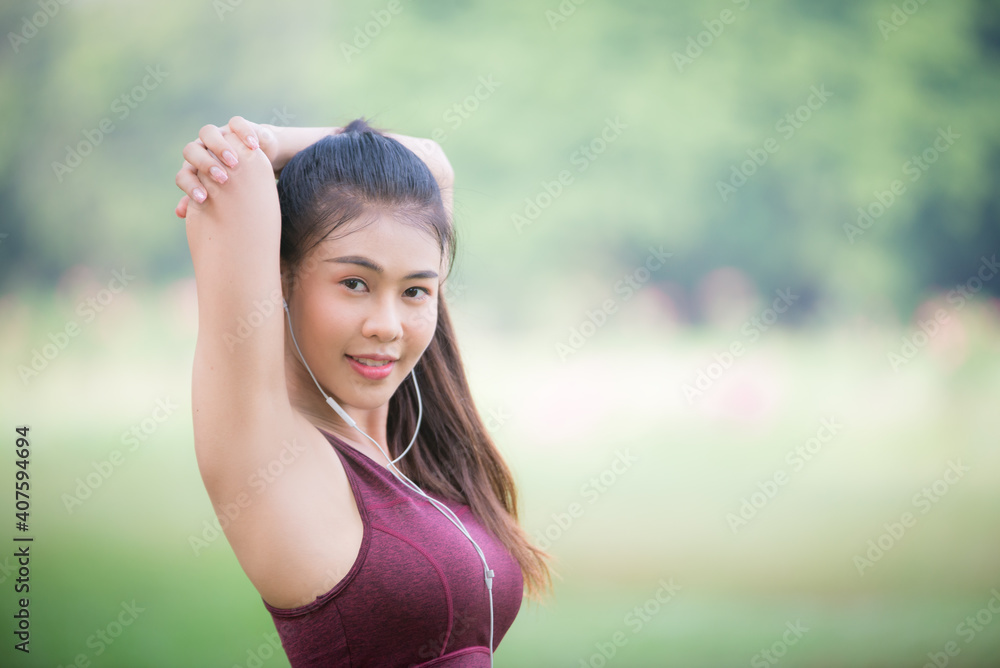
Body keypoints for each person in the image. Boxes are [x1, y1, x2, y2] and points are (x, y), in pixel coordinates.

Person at [174, 116, 553, 666]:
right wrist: (256, 146)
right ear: (282, 278)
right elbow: (234, 175)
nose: (388, 324)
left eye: (416, 291)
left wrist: (280, 141)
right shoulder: (270, 452)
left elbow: (431, 161)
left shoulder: (405, 448)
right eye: (355, 283)